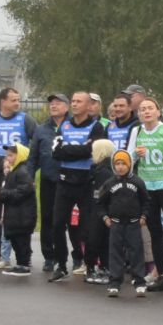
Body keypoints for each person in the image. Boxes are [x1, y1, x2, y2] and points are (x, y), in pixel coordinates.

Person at [126, 96, 163, 292]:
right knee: (155, 231)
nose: (146, 112)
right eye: (142, 109)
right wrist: (135, 154)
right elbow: (127, 160)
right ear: (139, 113)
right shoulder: (137, 131)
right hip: (147, 186)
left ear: (158, 112)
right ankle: (162, 275)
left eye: (150, 108)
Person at [50, 91, 105, 281]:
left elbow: (93, 150)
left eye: (78, 101)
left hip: (87, 182)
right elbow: (56, 152)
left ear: (89, 106)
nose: (74, 104)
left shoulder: (96, 127)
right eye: (72, 101)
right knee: (57, 224)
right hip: (65, 182)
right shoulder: (64, 125)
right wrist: (80, 149)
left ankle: (90, 265)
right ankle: (61, 264)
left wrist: (69, 150)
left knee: (88, 228)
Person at [0, 88, 32, 264]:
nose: (17, 103)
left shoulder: (25, 119)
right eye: (13, 100)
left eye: (18, 100)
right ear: (3, 102)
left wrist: (28, 168)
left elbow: (37, 142)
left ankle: (24, 254)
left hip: (16, 173)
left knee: (15, 214)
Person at [97, 149, 149, 297]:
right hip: (116, 224)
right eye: (117, 164)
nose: (120, 167)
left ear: (129, 164)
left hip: (134, 224)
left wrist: (144, 216)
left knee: (136, 253)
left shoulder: (138, 182)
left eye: (123, 164)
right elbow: (100, 203)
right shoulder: (109, 183)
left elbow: (146, 201)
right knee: (115, 253)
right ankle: (114, 283)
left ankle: (139, 282)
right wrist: (105, 218)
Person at [31, 93, 68, 271]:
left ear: (67, 107)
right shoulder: (41, 129)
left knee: (73, 221)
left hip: (71, 180)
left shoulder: (72, 126)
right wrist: (29, 177)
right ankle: (49, 256)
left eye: (58, 103)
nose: (53, 106)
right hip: (48, 180)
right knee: (47, 218)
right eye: (51, 103)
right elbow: (33, 157)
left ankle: (77, 258)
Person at [0, 144, 38, 277]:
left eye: (11, 155)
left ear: (20, 155)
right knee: (16, 240)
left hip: (23, 215)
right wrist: (1, 194)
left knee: (22, 240)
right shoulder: (14, 171)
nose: (8, 158)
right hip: (16, 214)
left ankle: (24, 265)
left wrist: (2, 193)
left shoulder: (22, 171)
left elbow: (23, 191)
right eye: (7, 155)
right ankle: (20, 264)